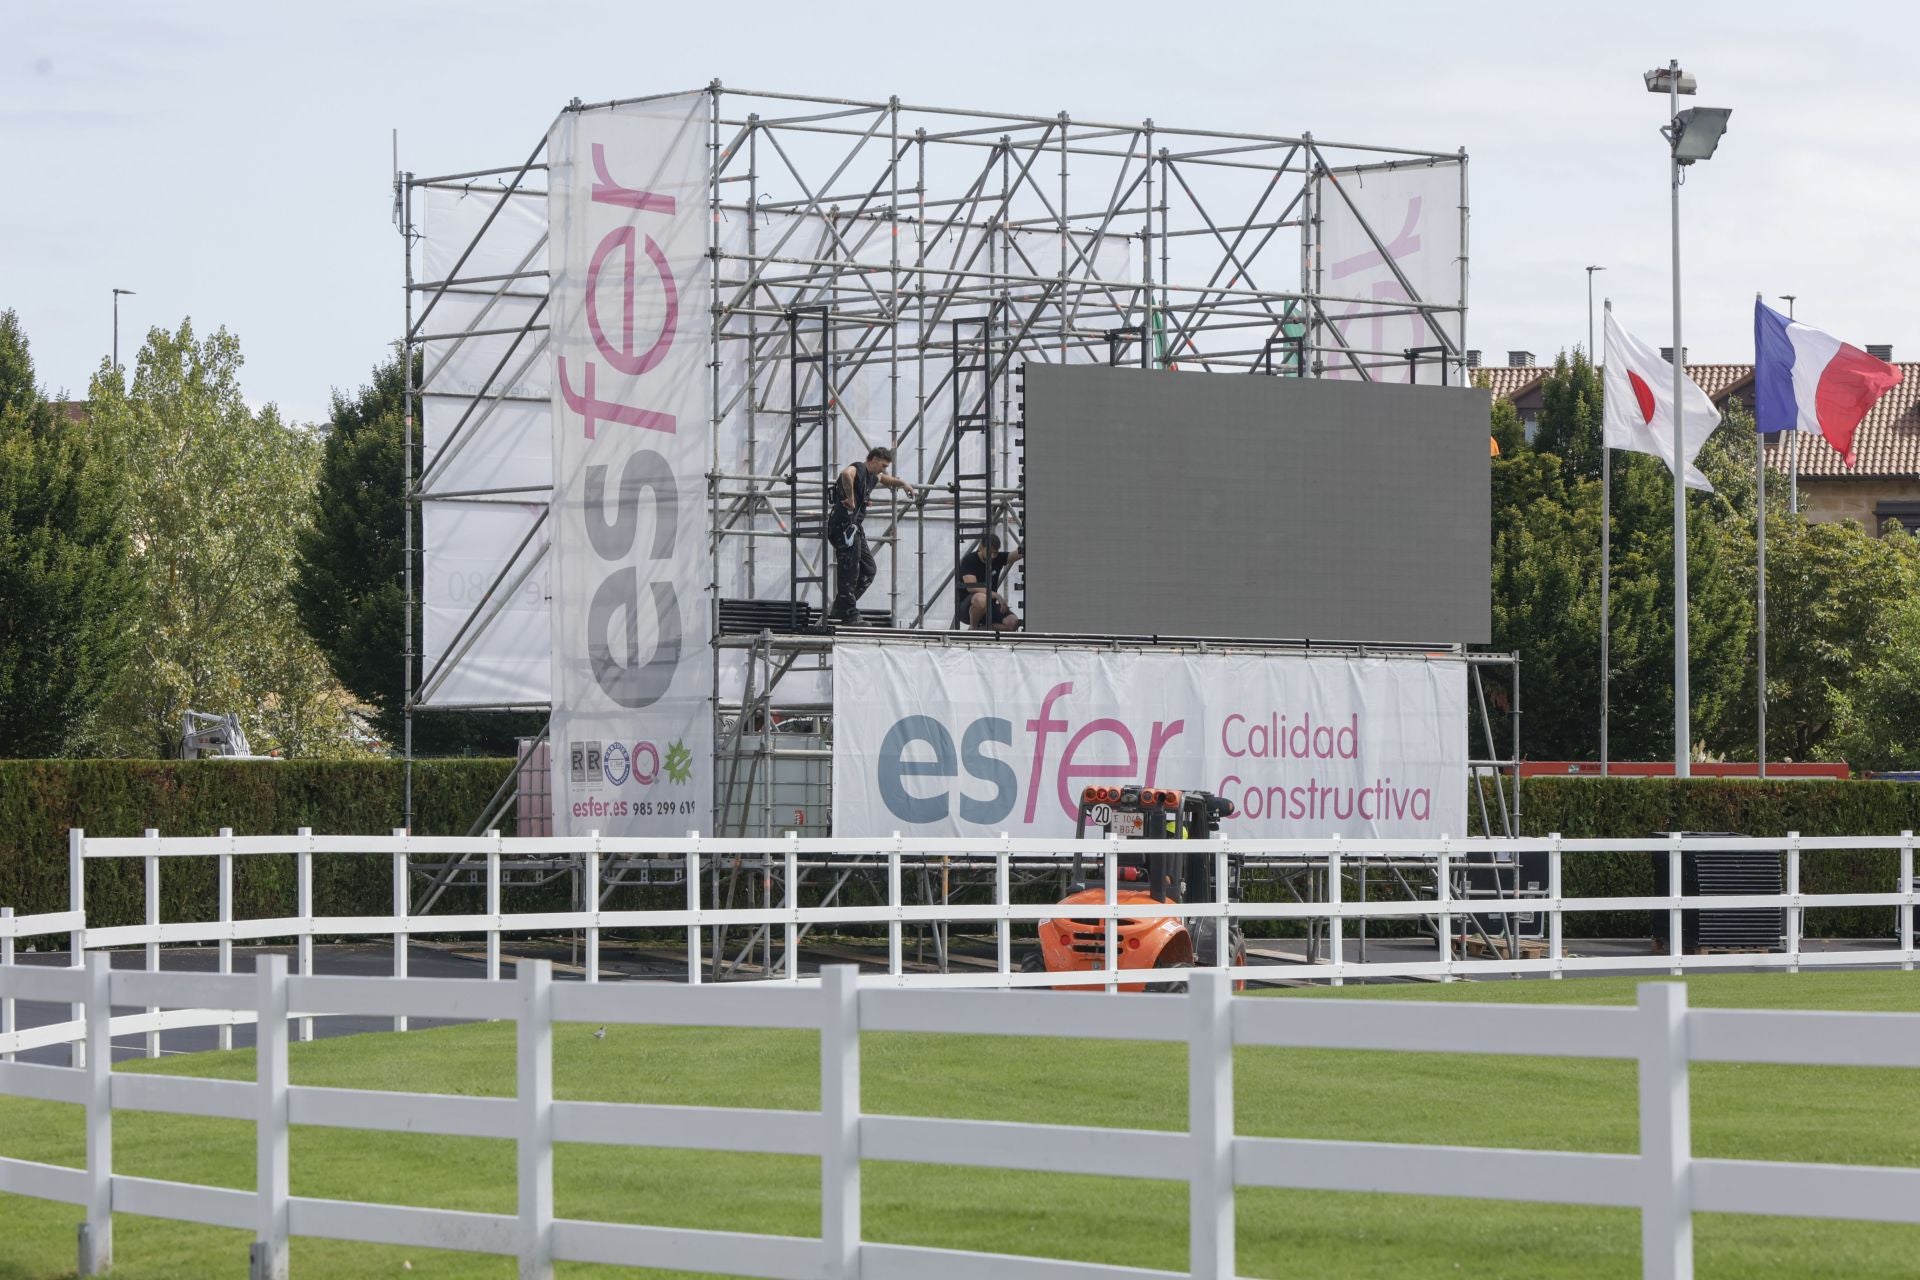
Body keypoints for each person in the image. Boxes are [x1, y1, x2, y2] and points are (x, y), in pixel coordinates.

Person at [826, 445, 916, 626]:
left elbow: (885, 478)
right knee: (849, 570)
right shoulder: (859, 468)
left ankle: (841, 606)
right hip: (843, 526)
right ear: (873, 459)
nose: (884, 469)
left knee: (868, 569)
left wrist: (903, 484)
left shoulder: (872, 476)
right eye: (882, 465)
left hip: (854, 527)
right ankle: (849, 614)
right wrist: (850, 497)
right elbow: (846, 474)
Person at [955, 533, 1023, 631]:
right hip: (967, 609)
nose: (992, 556)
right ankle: (974, 628)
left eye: (995, 552)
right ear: (981, 547)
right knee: (981, 598)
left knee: (1012, 623)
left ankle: (979, 630)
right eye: (989, 552)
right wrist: (996, 596)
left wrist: (1031, 534)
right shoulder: (969, 560)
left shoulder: (997, 558)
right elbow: (971, 587)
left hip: (989, 607)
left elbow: (1018, 553)